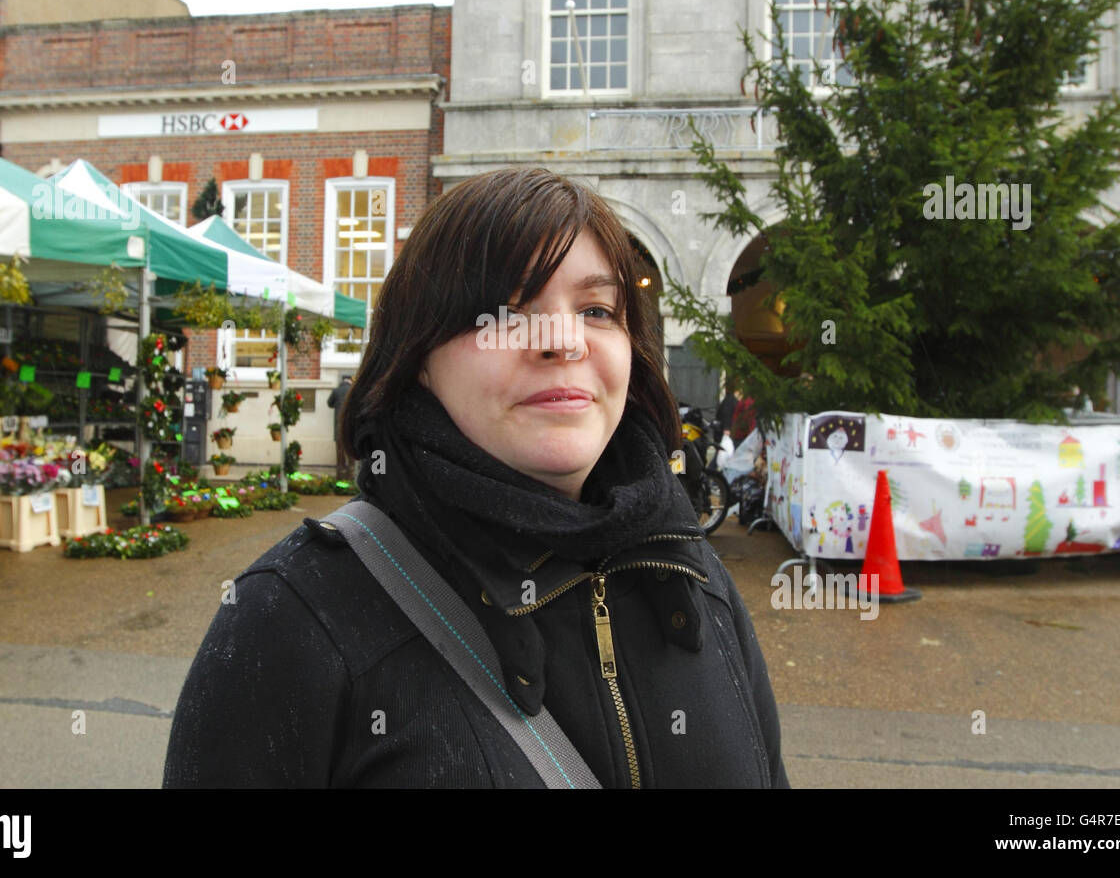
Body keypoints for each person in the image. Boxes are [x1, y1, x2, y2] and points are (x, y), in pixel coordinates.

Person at [162, 167, 788, 789]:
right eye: (507, 311)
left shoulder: (695, 579)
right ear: (418, 358)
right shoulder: (293, 617)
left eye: (597, 309)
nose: (563, 341)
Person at [326, 374, 353, 481]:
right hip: (351, 427)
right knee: (351, 452)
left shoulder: (336, 391)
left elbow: (329, 403)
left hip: (339, 426)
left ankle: (340, 475)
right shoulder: (353, 390)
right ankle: (351, 474)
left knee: (340, 451)